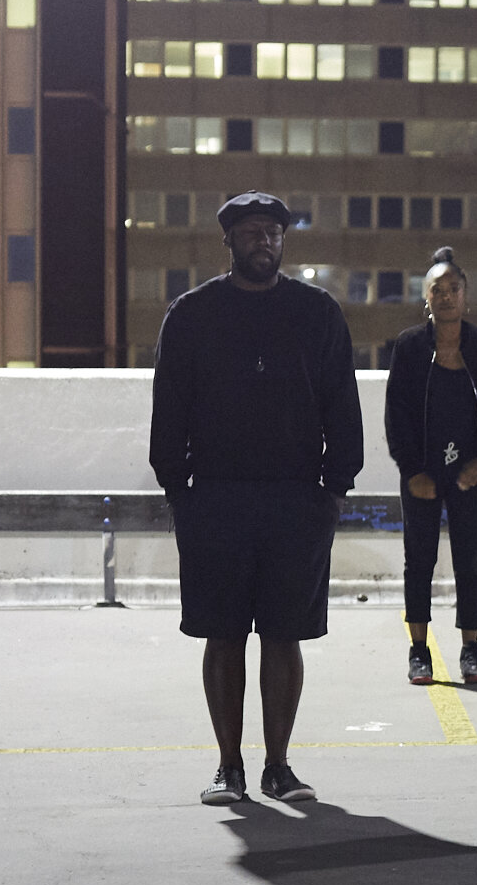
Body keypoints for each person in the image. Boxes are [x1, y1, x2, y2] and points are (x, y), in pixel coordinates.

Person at [149, 192, 363, 808]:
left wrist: (332, 488)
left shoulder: (316, 313)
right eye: (250, 233)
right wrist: (179, 491)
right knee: (222, 635)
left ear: (283, 241)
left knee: (283, 634)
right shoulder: (192, 314)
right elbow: (170, 409)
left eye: (271, 232)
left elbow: (341, 406)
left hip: (297, 500)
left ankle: (278, 767)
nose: (262, 241)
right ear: (229, 242)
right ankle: (228, 768)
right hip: (214, 499)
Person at [383, 249, 477, 687]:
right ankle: (418, 650)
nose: (446, 297)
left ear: (466, 295)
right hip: (422, 473)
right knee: (418, 561)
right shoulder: (408, 347)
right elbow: (396, 414)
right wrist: (410, 470)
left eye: (453, 289)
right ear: (426, 299)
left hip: (469, 472)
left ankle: (470, 647)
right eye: (436, 290)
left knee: (469, 561)